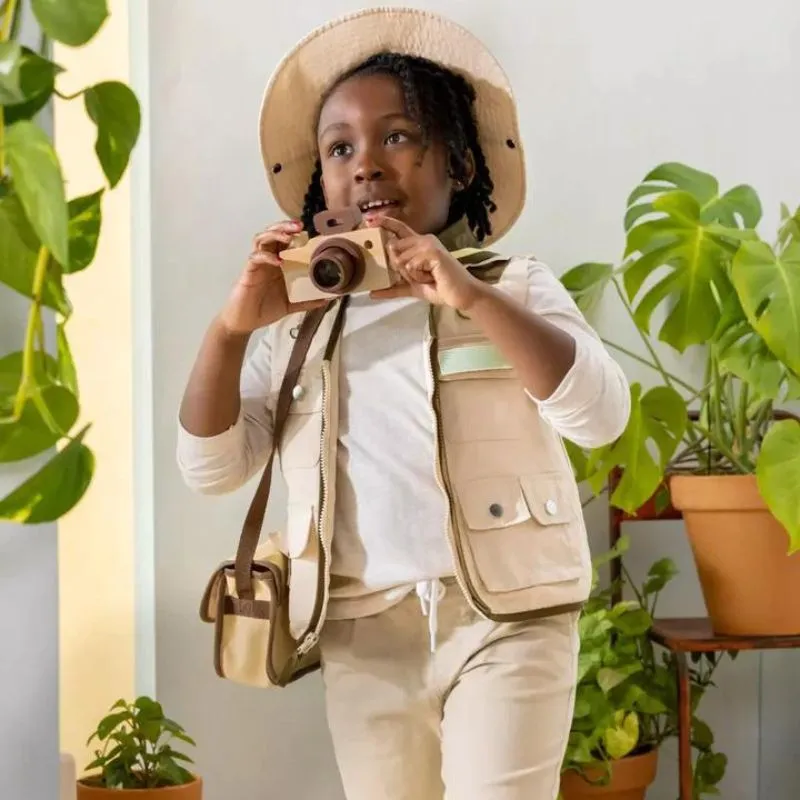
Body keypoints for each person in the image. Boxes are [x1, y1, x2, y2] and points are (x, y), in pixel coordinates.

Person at [177, 8, 630, 800]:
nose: (367, 164)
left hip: (507, 622)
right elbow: (210, 468)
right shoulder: (301, 326)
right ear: (322, 182)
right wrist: (228, 330)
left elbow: (601, 415)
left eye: (398, 136)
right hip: (363, 635)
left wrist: (474, 299)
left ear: (457, 160)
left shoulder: (512, 285)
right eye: (341, 147)